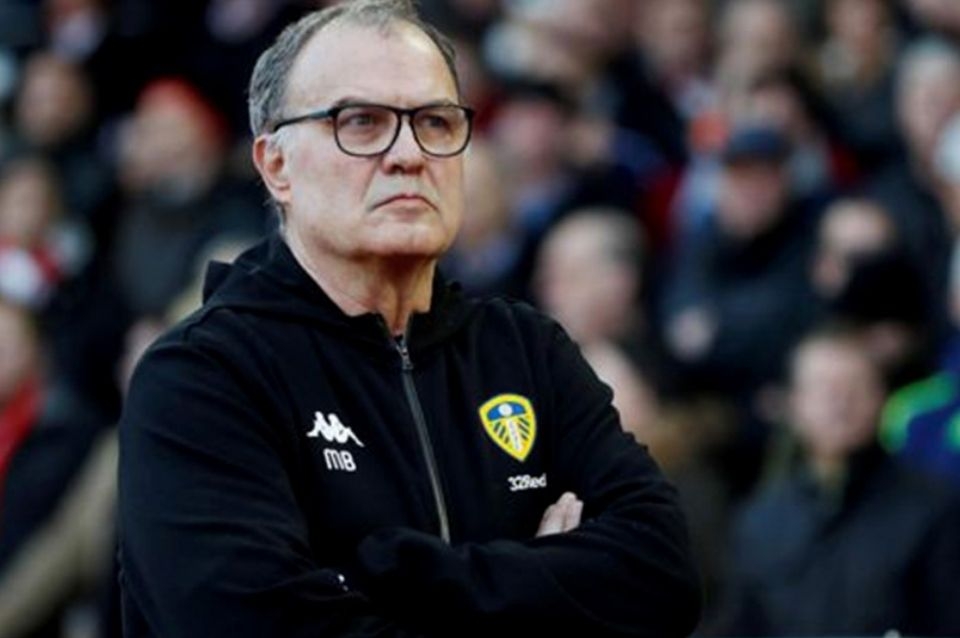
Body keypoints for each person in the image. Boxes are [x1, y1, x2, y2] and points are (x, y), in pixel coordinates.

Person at [117, 2, 702, 637]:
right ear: (276, 166)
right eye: (361, 122)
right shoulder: (203, 377)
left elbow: (662, 577)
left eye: (435, 122)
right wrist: (546, 585)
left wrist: (397, 573)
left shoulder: (528, 350)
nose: (408, 154)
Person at [713, 326, 960, 636]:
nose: (840, 404)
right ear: (795, 404)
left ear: (880, 397)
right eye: (824, 389)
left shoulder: (934, 508)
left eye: (854, 387)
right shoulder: (759, 522)